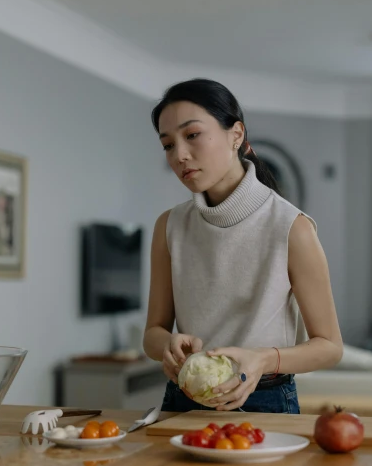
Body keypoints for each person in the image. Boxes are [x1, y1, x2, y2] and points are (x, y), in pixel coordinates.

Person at [143, 79, 343, 414]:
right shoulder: (170, 226)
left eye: (192, 135)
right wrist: (168, 344)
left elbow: (330, 347)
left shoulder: (292, 227)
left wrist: (264, 359)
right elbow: (152, 333)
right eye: (167, 145)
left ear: (236, 135)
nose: (179, 155)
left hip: (264, 401)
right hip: (184, 400)